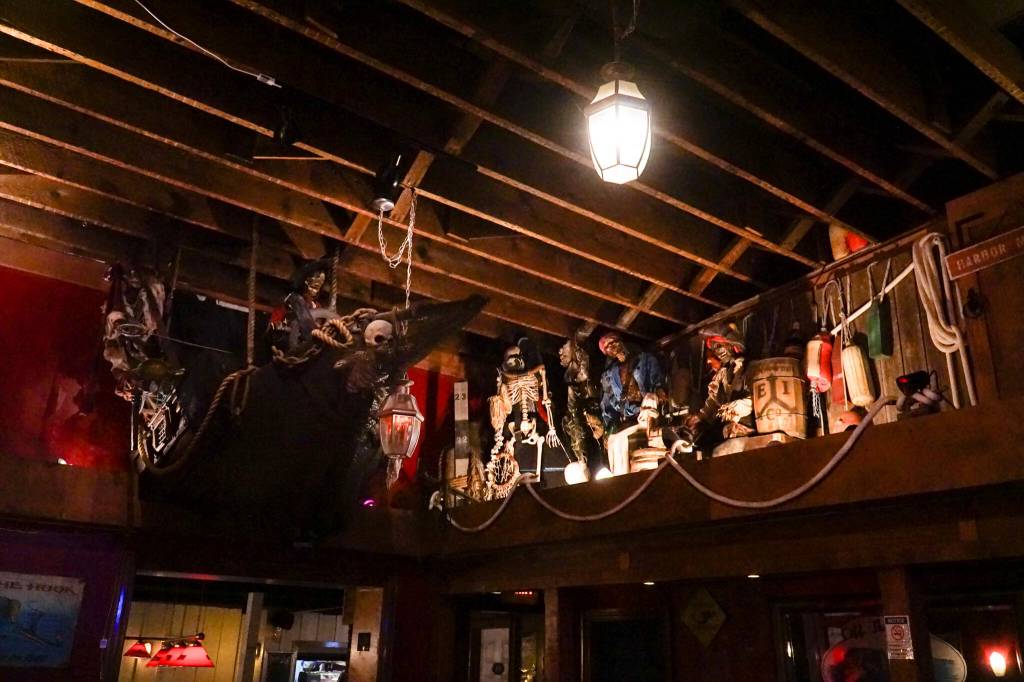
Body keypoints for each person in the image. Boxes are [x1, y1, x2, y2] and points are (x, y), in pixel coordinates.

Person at [597, 333, 666, 474]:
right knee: (614, 441)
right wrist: (608, 428)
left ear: (620, 340)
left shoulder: (645, 359)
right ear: (607, 354)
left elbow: (658, 384)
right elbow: (609, 404)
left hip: (649, 413)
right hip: (629, 416)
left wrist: (656, 394)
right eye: (607, 347)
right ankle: (621, 480)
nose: (612, 347)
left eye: (613, 342)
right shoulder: (610, 375)